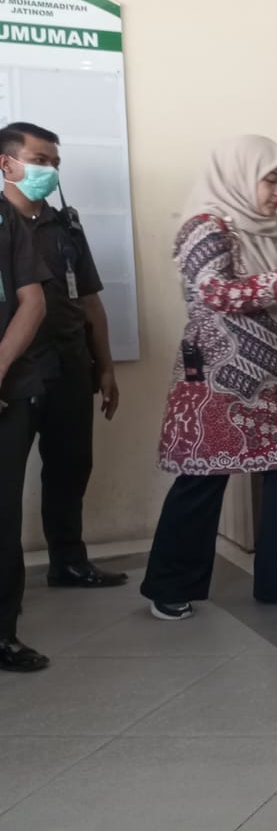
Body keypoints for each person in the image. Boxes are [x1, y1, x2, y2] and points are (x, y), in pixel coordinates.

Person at [140, 136, 277, 619]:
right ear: (238, 176)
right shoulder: (204, 227)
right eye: (268, 179)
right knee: (203, 480)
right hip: (218, 378)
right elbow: (213, 294)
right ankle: (171, 584)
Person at [0, 123, 126, 588]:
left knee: (72, 466)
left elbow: (91, 300)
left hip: (71, 365)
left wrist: (107, 366)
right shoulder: (2, 224)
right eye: (39, 160)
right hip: (17, 373)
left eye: (54, 162)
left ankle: (68, 562)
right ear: (7, 164)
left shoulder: (66, 225)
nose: (49, 170)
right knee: (7, 486)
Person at [0, 181, 49, 671]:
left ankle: (3, 633)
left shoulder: (6, 218)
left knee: (2, 518)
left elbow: (32, 301)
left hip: (7, 389)